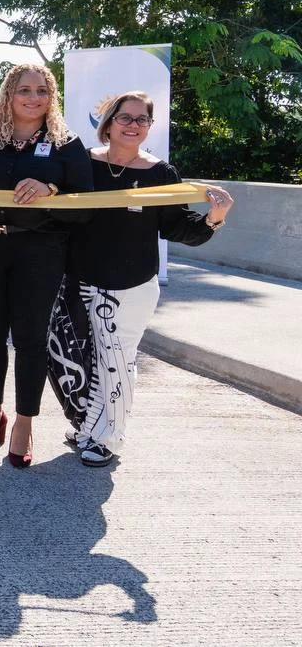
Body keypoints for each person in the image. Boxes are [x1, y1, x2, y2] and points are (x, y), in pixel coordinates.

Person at [54, 91, 233, 467]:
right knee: (75, 358)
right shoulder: (82, 164)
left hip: (129, 286)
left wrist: (214, 217)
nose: (133, 125)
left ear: (150, 127)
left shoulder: (159, 174)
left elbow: (178, 227)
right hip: (79, 280)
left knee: (116, 361)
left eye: (142, 119)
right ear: (108, 123)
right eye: (125, 118)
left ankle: (108, 439)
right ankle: (88, 426)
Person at [0, 63, 93, 467]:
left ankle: (24, 423)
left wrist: (51, 189)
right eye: (24, 89)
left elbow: (85, 204)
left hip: (40, 251)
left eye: (42, 90)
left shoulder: (66, 144)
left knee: (31, 340)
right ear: (8, 94)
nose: (33, 97)